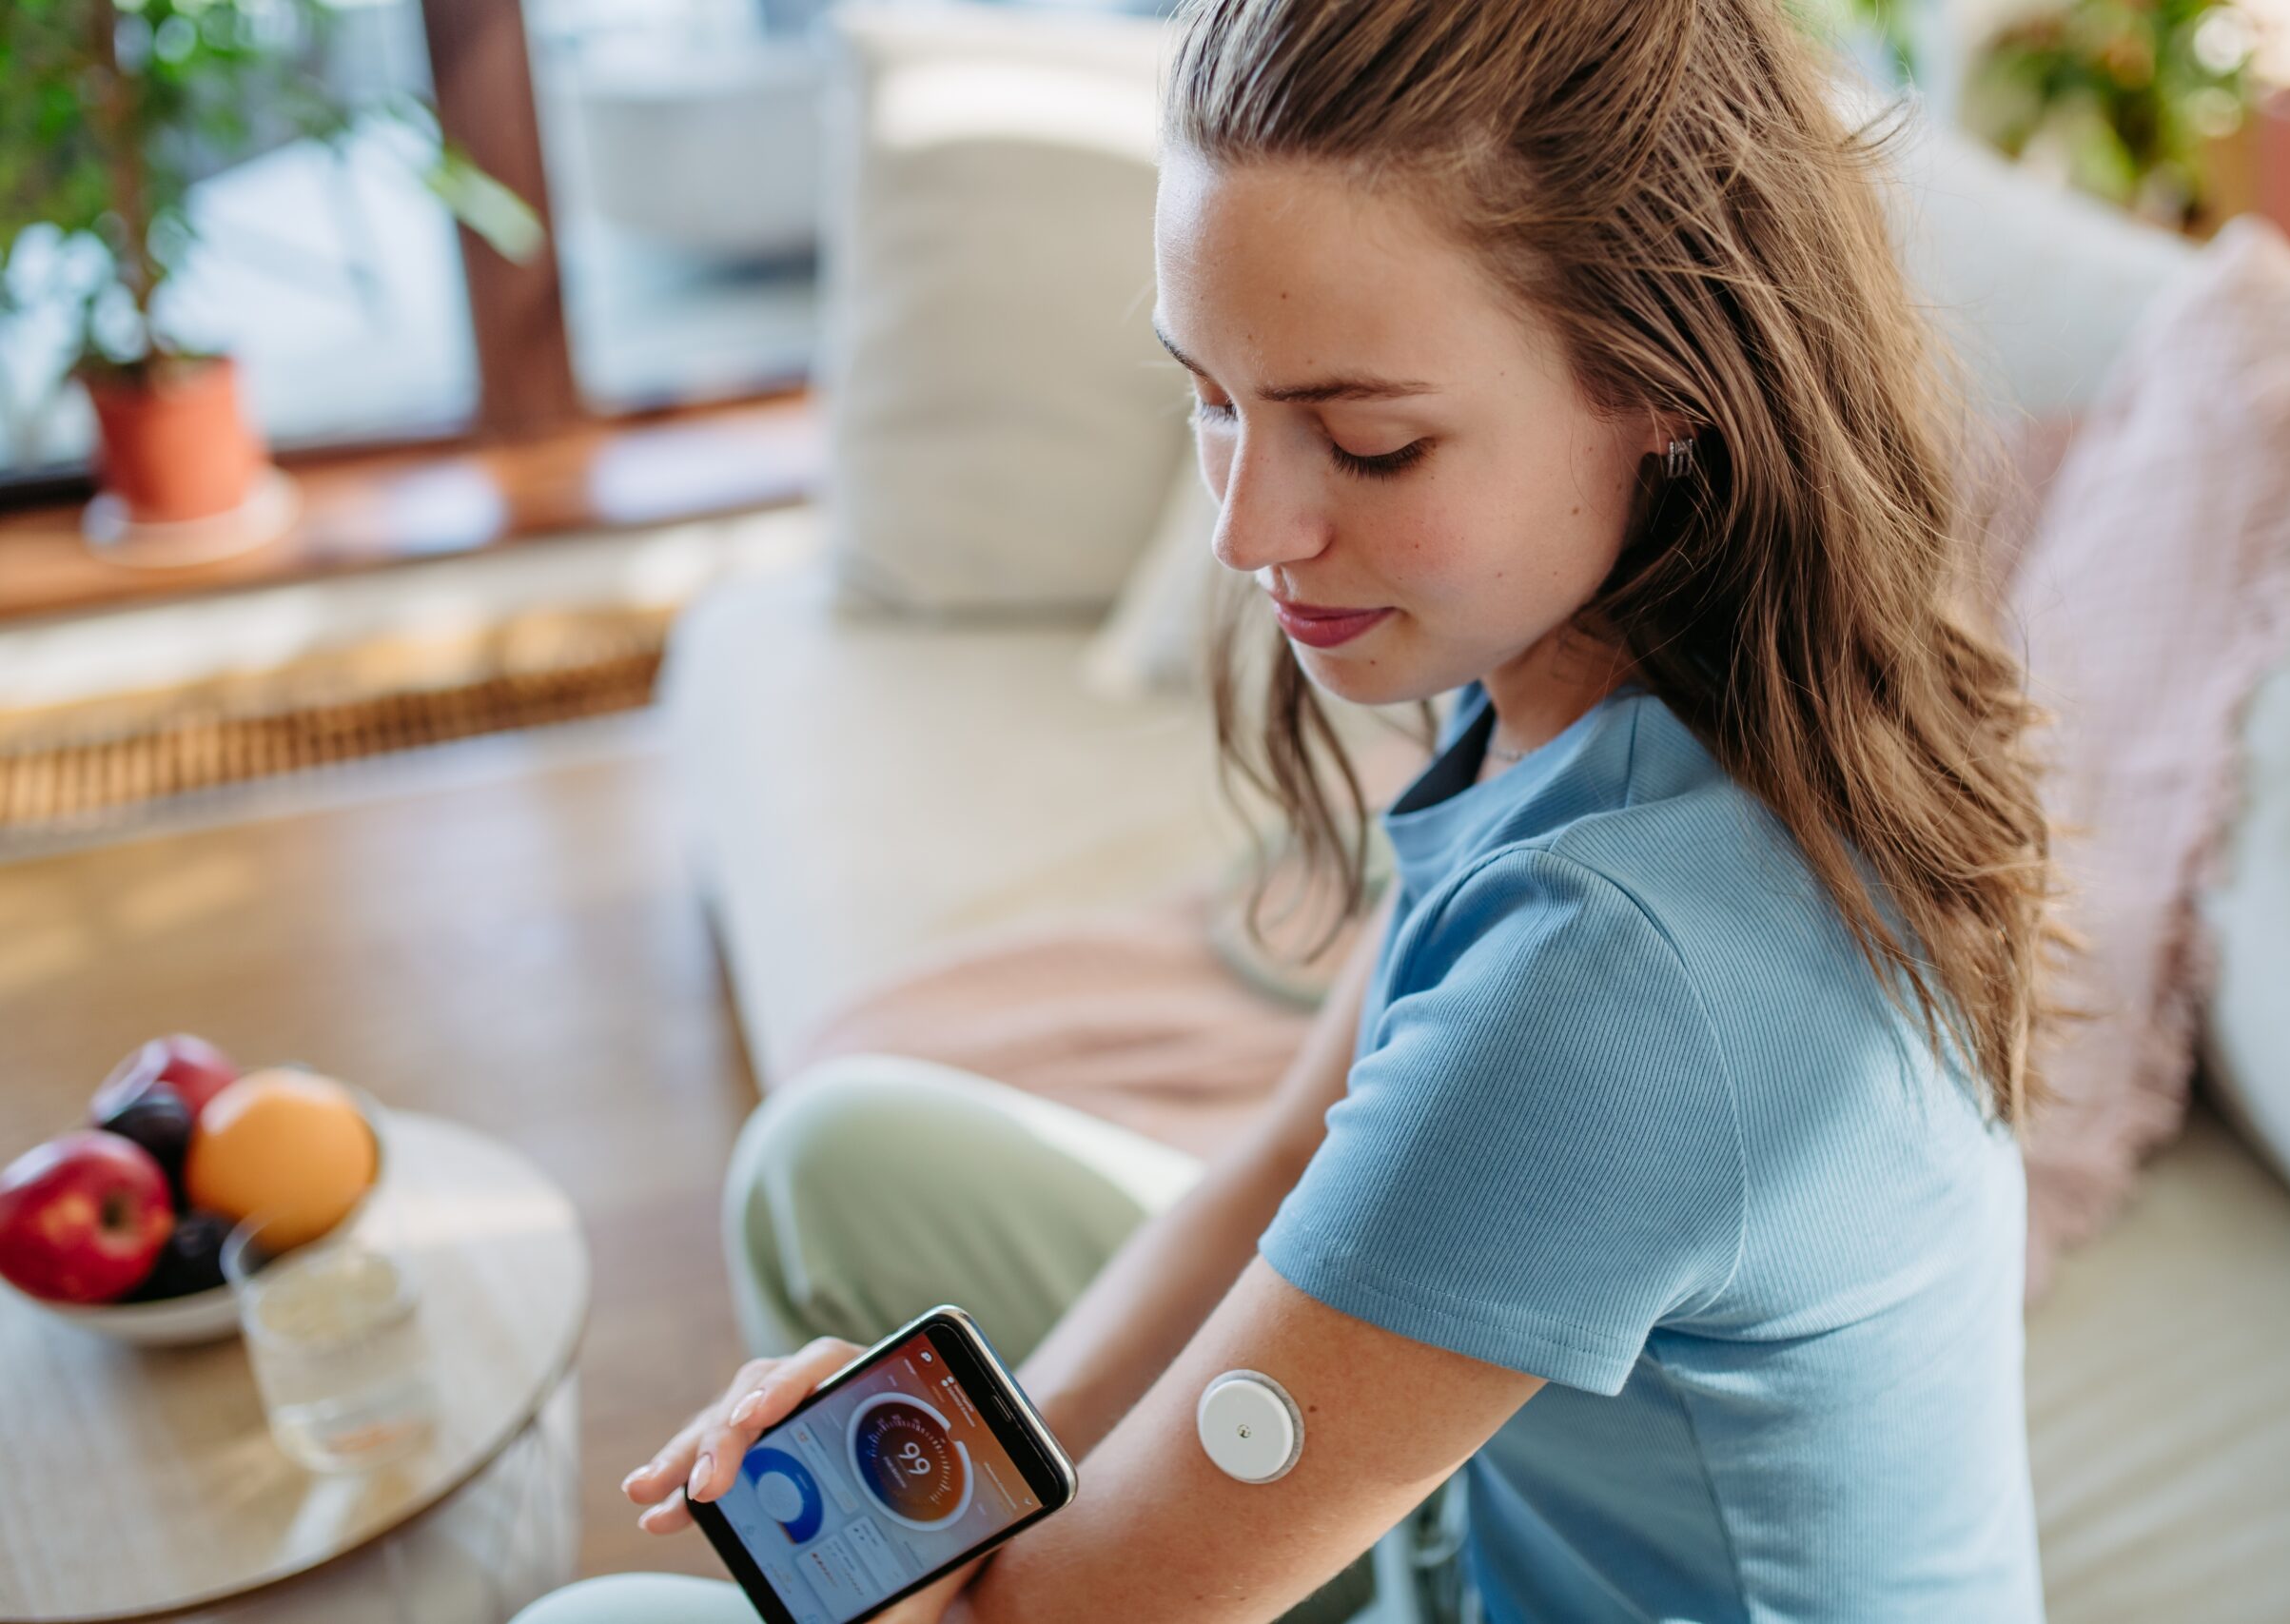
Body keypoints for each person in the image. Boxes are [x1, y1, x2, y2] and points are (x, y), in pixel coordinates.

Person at [516, 0, 2061, 1617]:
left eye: (1370, 445)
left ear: (1666, 381)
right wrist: (979, 1483)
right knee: (835, 1155)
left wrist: (932, 1585)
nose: (1248, 531)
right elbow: (1282, 1167)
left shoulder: (1617, 981)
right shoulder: (1603, 681)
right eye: (1211, 399)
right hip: (1460, 1538)